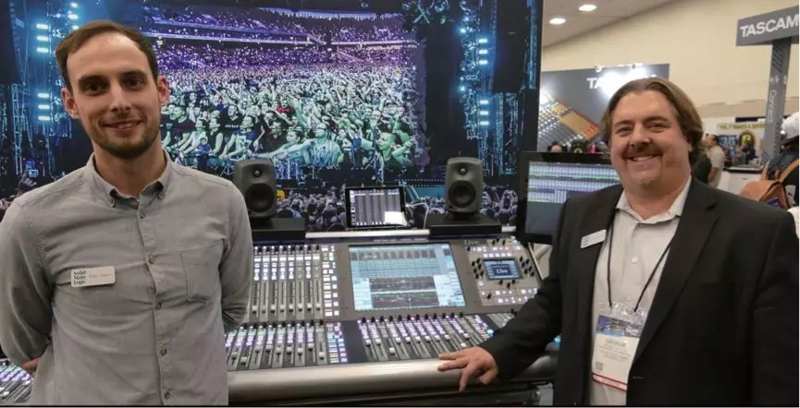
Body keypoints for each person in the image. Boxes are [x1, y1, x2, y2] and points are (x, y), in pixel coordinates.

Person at [438, 77, 798, 405]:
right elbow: (555, 300)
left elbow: (778, 373)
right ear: (610, 145)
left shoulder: (757, 232)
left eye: (655, 125)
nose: (637, 139)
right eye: (624, 129)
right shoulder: (581, 213)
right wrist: (498, 350)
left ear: (688, 137)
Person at [0, 21, 253, 404]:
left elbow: (230, 311)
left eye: (132, 81)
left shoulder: (223, 202)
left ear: (161, 90)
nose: (118, 101)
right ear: (71, 102)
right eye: (95, 87)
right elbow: (24, 343)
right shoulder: (31, 222)